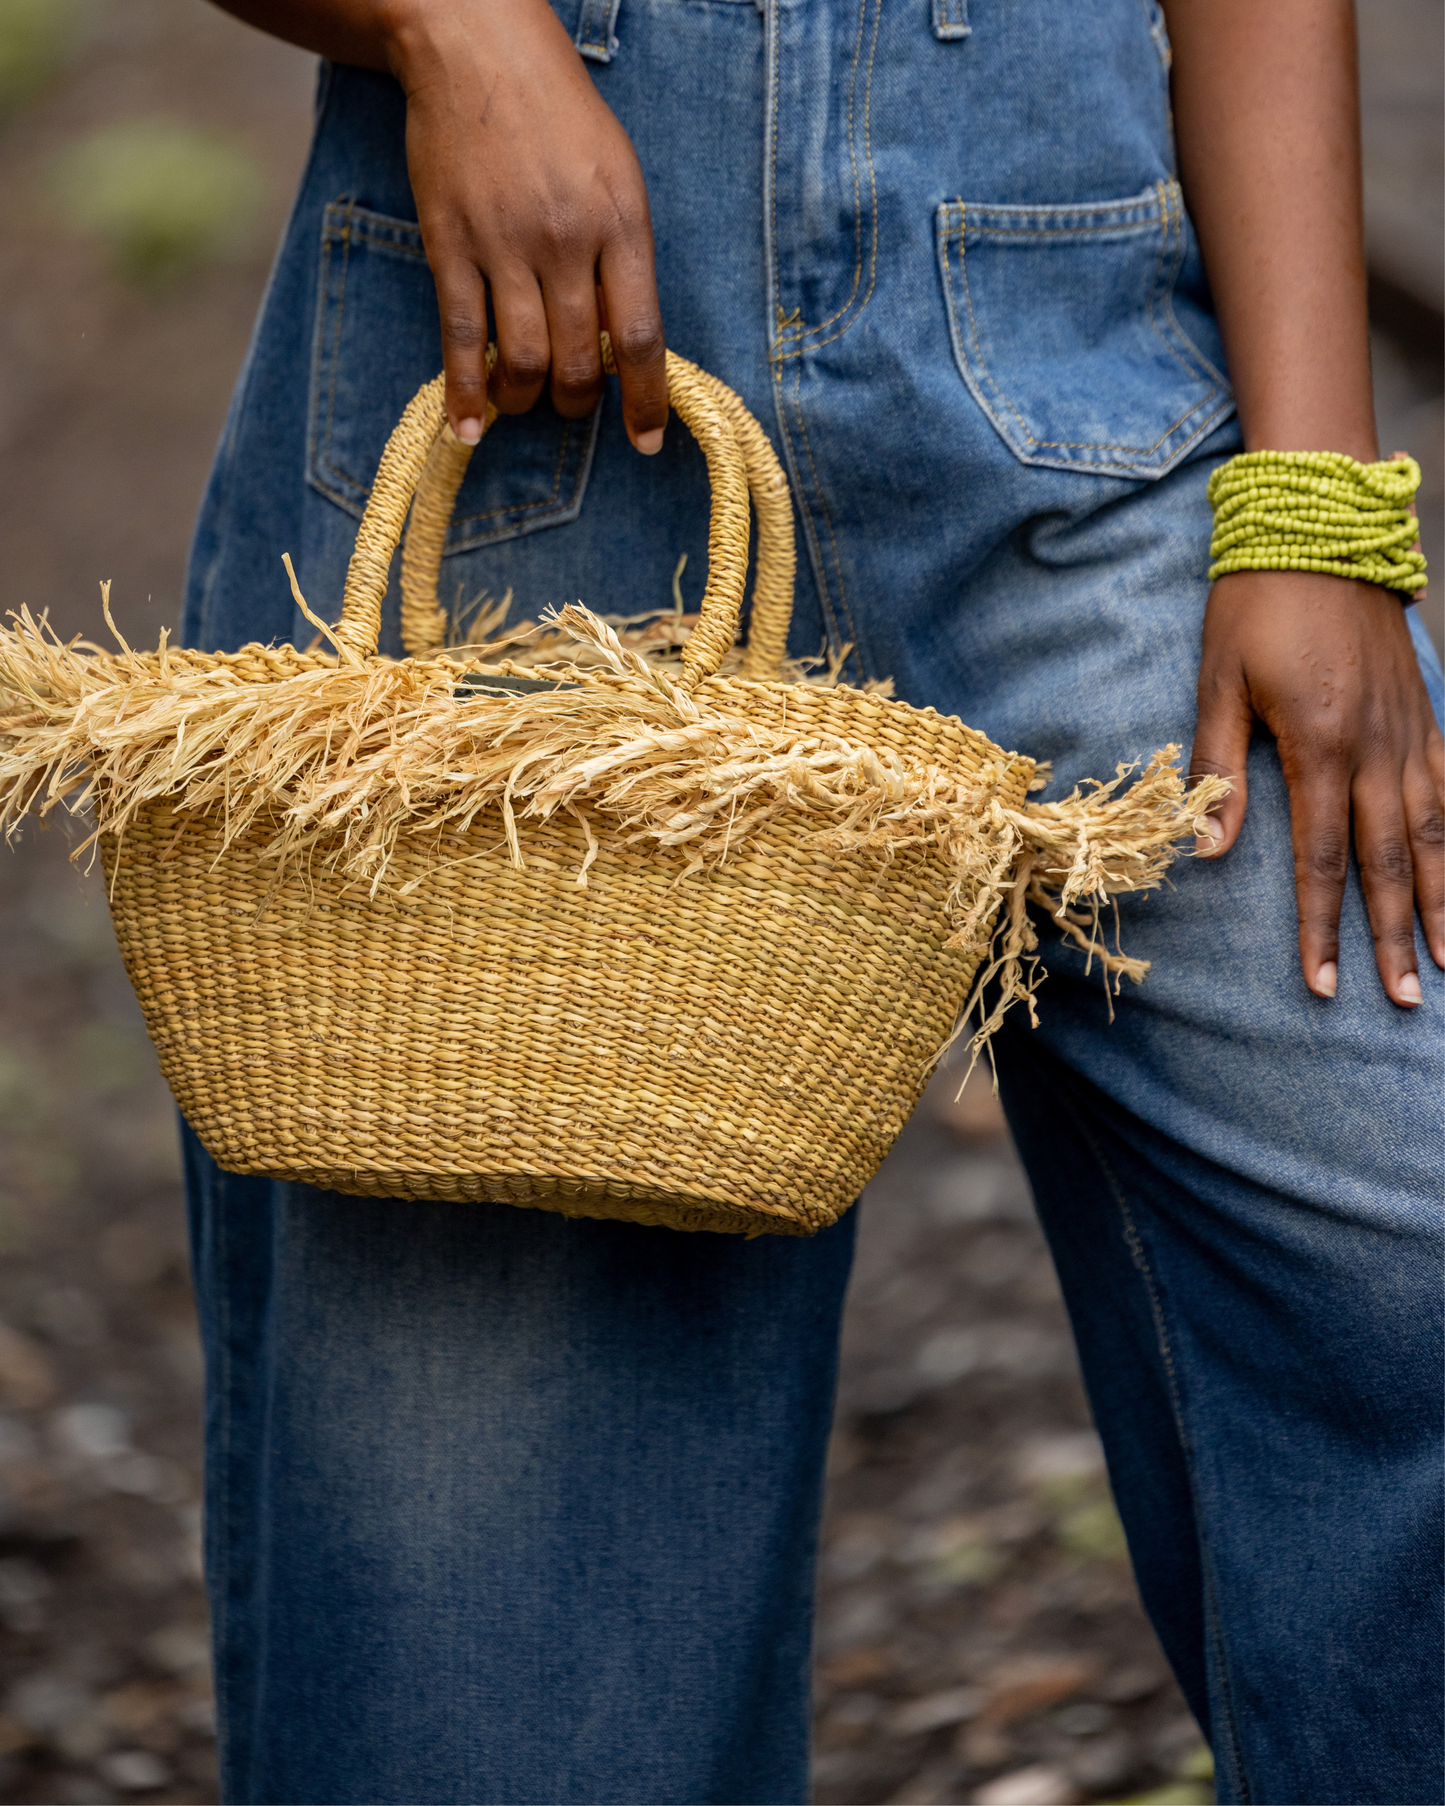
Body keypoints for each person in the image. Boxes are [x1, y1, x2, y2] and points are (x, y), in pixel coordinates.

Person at [188, 0, 1443, 1800]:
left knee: (1406, 1248)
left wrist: (1315, 500)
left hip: (1083, 408)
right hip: (532, 421)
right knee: (503, 1665)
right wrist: (447, 28)